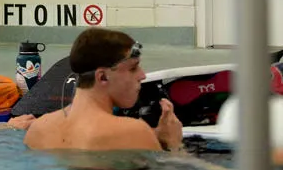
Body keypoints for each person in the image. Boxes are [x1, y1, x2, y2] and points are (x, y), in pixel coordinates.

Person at [23, 28, 184, 153]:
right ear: (102, 77)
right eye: (133, 68)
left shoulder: (38, 130)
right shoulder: (134, 132)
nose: (142, 75)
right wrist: (174, 144)